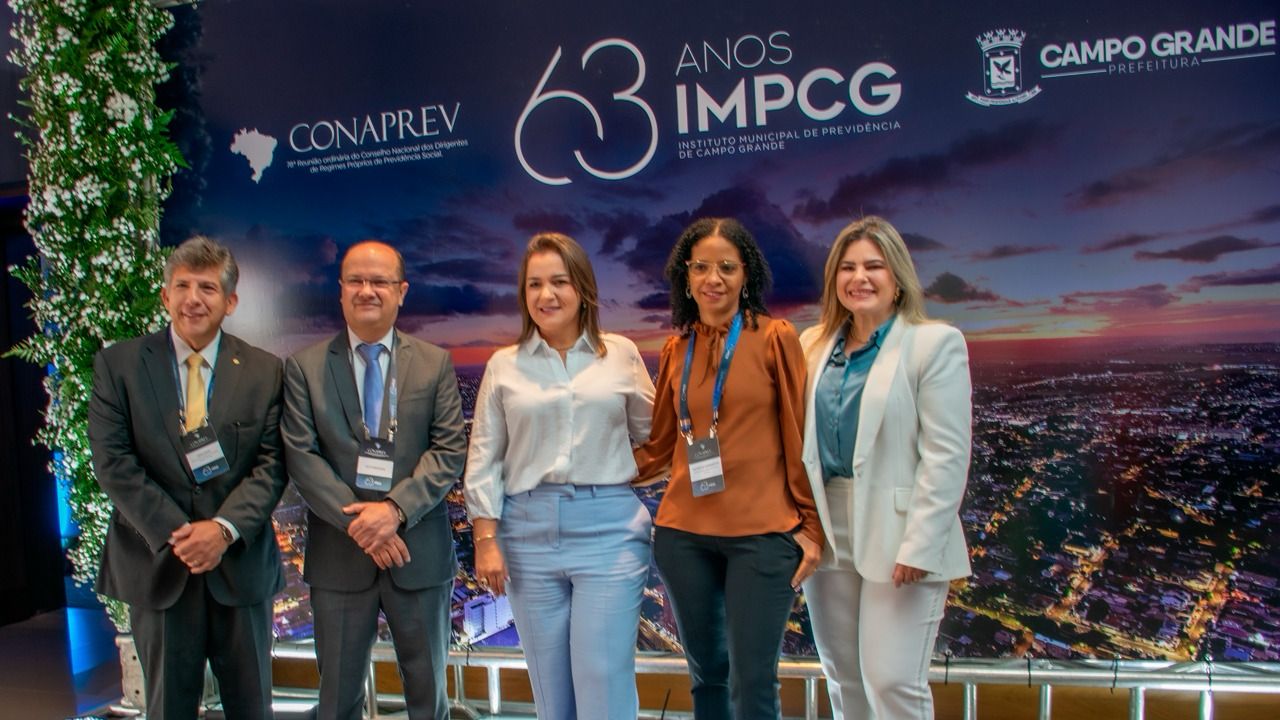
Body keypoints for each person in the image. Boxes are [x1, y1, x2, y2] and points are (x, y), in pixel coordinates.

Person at [88, 235, 286, 719]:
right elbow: (113, 462)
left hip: (239, 567)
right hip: (159, 565)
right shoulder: (119, 365)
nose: (193, 299)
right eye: (182, 286)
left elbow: (274, 463)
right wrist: (181, 534)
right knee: (168, 708)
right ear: (165, 295)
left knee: (252, 707)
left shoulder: (265, 371)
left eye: (207, 288)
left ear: (230, 301)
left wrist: (221, 530)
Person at [633, 217, 823, 720]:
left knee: (753, 682)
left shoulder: (775, 337)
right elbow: (660, 448)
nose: (712, 278)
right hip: (683, 536)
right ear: (686, 277)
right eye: (701, 267)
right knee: (708, 677)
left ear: (746, 276)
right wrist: (578, 470)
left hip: (762, 535)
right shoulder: (676, 350)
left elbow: (798, 436)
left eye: (726, 267)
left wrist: (811, 526)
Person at [464, 232, 656, 720]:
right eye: (534, 284)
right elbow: (484, 455)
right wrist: (486, 538)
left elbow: (654, 436)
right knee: (551, 692)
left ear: (583, 289)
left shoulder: (621, 354)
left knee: (604, 682)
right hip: (526, 533)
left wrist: (617, 469)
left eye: (559, 282)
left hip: (608, 529)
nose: (545, 295)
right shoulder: (504, 365)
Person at [282, 240, 467, 720]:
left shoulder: (434, 363)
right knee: (337, 700)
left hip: (418, 554)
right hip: (339, 559)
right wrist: (362, 525)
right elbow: (301, 456)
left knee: (428, 699)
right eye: (356, 281)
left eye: (380, 281)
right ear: (340, 290)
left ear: (401, 291)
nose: (367, 290)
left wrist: (394, 511)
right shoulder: (304, 367)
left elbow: (449, 450)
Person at [798, 216, 972, 720]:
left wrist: (921, 544)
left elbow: (946, 454)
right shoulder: (812, 345)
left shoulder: (933, 343)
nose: (860, 277)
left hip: (900, 532)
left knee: (892, 681)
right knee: (843, 677)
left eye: (873, 266)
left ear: (897, 277)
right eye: (847, 267)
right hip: (826, 527)